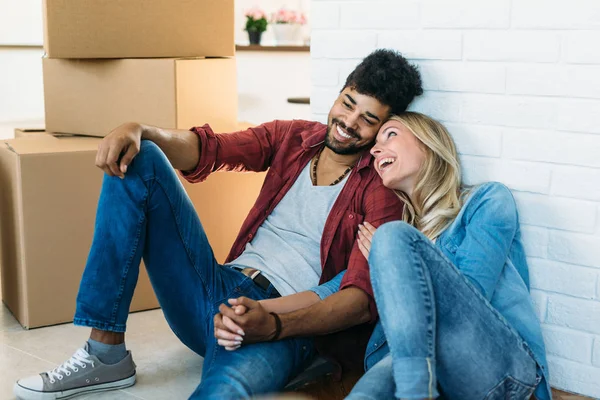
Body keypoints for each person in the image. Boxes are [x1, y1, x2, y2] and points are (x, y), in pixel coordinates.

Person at [14, 49, 423, 400]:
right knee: (145, 158)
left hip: (276, 323)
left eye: (368, 119)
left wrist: (271, 323)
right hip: (212, 287)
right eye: (348, 103)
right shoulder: (295, 137)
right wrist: (141, 130)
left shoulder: (379, 187)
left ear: (384, 128)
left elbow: (358, 302)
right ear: (339, 93)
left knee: (221, 392)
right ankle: (105, 354)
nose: (349, 122)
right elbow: (211, 148)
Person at [216, 112, 551, 400]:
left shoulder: (485, 202)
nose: (375, 149)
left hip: (500, 372)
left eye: (390, 135)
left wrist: (392, 253)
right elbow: (332, 292)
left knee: (394, 237)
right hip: (407, 365)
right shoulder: (380, 239)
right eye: (376, 145)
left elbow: (471, 297)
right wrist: (255, 311)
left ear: (429, 143)